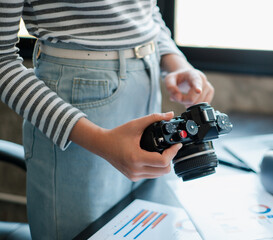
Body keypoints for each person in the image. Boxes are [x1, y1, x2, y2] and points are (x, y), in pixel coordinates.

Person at [0, 1, 214, 239]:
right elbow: (2, 62)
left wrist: (177, 63)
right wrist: (100, 141)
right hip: (78, 121)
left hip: (146, 89)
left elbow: (144, 12)